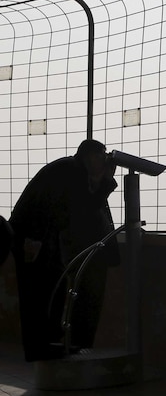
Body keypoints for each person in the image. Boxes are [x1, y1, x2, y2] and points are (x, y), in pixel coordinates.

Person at [9, 139, 120, 361]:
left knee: (49, 292)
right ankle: (40, 348)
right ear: (90, 157)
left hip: (37, 236)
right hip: (34, 237)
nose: (104, 161)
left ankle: (44, 346)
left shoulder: (69, 168)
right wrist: (105, 181)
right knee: (41, 294)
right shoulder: (72, 171)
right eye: (102, 156)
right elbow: (86, 209)